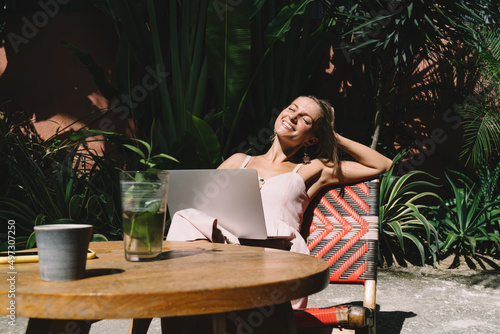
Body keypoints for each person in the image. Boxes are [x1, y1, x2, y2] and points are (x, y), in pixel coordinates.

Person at [218, 95, 392, 255]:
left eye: (305, 119)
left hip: (273, 255)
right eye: (292, 109)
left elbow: (382, 165)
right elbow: (201, 205)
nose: (293, 117)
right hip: (224, 249)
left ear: (311, 139)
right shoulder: (239, 162)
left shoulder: (312, 169)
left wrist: (332, 136)